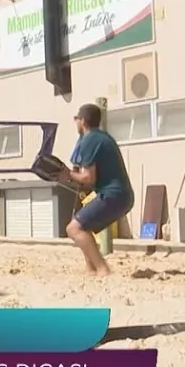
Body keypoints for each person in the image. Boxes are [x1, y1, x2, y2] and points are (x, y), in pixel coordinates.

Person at [58, 104, 133, 276]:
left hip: (113, 195)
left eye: (76, 118)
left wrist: (67, 174)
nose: (75, 122)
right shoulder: (101, 137)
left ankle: (102, 269)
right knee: (84, 226)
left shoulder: (89, 140)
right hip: (121, 195)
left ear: (82, 121)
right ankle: (91, 269)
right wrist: (70, 175)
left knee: (74, 229)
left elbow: (88, 178)